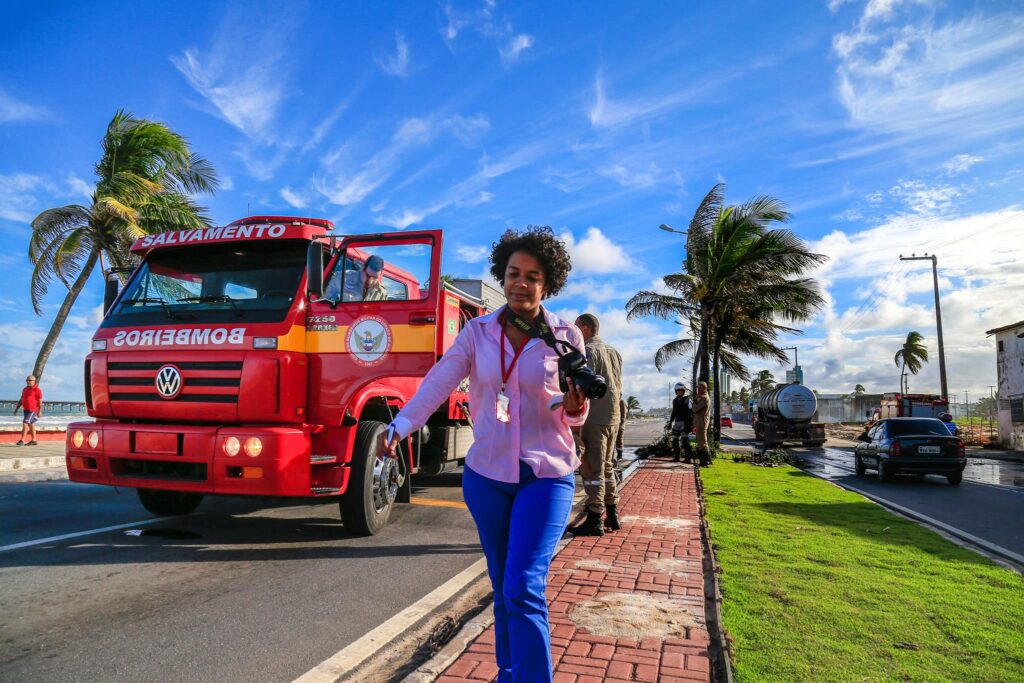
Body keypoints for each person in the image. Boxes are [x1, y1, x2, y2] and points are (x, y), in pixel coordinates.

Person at [384, 225, 587, 683]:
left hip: (546, 474)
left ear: (547, 284)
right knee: (502, 585)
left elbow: (574, 409)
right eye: (514, 273)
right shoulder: (477, 332)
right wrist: (400, 425)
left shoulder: (565, 334)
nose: (521, 283)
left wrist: (575, 406)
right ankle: (508, 672)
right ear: (503, 275)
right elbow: (438, 382)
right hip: (487, 476)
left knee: (524, 586)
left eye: (532, 277)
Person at [567, 313, 622, 536]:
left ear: (585, 330)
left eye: (576, 328)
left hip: (594, 417)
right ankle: (612, 512)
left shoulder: (587, 351)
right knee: (607, 467)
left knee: (592, 469)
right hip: (613, 416)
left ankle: (594, 518)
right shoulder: (614, 352)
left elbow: (582, 387)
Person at [13, 375, 43, 446]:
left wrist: (40, 411)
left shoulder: (37, 389)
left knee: (25, 423)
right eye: (27, 380)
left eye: (30, 380)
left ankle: (22, 440)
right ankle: (34, 440)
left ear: (34, 381)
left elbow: (40, 401)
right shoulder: (25, 389)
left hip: (32, 410)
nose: (28, 382)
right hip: (26, 410)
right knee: (31, 424)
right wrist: (16, 409)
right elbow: (21, 399)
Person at [668, 382, 694, 463]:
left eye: (681, 390)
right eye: (678, 390)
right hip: (677, 422)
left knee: (685, 440)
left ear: (684, 391)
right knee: (674, 440)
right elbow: (674, 412)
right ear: (676, 391)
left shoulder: (688, 400)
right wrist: (670, 422)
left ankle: (688, 458)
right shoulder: (675, 401)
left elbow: (692, 411)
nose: (680, 392)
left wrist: (691, 423)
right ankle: (677, 457)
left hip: (685, 422)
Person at [692, 381, 711, 466]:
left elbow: (694, 409)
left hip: (702, 423)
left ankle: (705, 461)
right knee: (701, 441)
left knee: (702, 442)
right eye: (698, 388)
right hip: (700, 422)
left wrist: (695, 399)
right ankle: (705, 461)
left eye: (700, 388)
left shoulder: (704, 398)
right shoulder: (703, 397)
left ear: (705, 388)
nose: (698, 389)